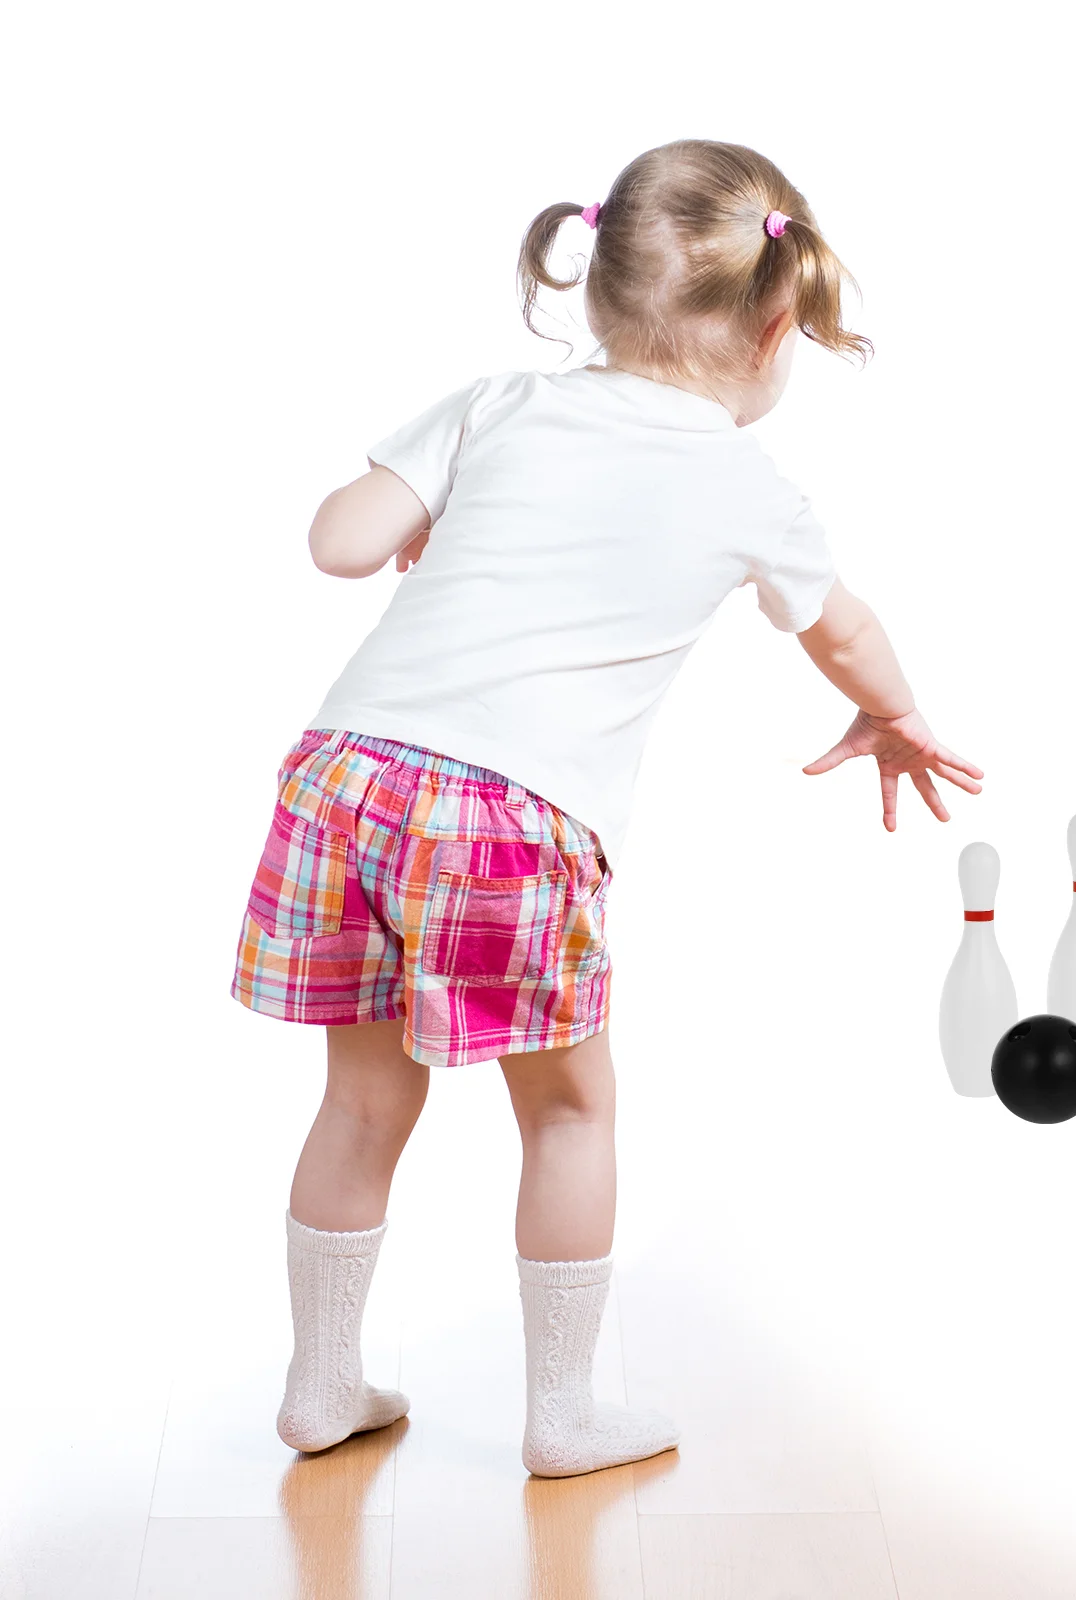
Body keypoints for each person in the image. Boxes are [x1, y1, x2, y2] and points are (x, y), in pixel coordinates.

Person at [231, 138, 982, 1478]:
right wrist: (895, 713)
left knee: (358, 1105)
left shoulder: (503, 403)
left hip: (346, 778)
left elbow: (339, 542)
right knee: (570, 1112)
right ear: (769, 327)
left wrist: (423, 511)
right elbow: (847, 629)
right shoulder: (748, 484)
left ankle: (320, 1383)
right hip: (509, 822)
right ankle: (564, 1413)